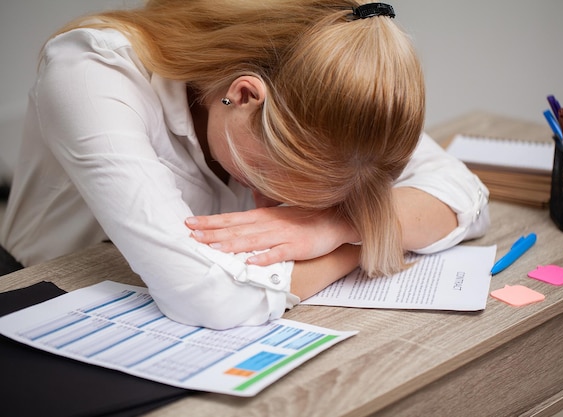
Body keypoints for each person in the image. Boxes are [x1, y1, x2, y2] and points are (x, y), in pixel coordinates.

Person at [0, 0, 489, 329]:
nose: (277, 208)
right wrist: (361, 248)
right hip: (49, 300)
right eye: (275, 177)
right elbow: (210, 296)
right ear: (243, 95)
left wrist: (334, 223)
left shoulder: (318, 88)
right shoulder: (91, 70)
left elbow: (465, 196)